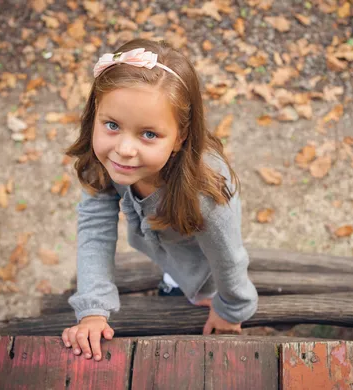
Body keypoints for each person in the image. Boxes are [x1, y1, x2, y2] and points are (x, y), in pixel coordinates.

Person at [60, 39, 258, 362]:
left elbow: (228, 257)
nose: (124, 148)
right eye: (112, 125)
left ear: (180, 136)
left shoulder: (203, 195)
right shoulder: (107, 163)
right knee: (174, 262)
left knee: (197, 297)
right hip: (169, 253)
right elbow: (95, 226)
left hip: (205, 271)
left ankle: (193, 290)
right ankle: (176, 278)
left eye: (148, 134)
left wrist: (231, 309)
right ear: (95, 114)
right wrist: (93, 308)